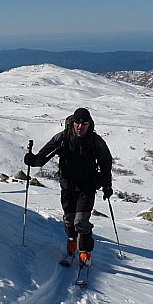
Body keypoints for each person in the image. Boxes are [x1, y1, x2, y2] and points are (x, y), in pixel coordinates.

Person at [23, 107, 113, 266]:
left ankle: (85, 252)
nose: (80, 126)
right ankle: (72, 244)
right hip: (68, 186)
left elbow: (106, 165)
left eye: (84, 123)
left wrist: (106, 185)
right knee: (70, 220)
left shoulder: (95, 141)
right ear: (73, 123)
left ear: (89, 124)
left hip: (87, 187)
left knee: (81, 221)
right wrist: (33, 160)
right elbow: (44, 155)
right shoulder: (63, 137)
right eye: (78, 123)